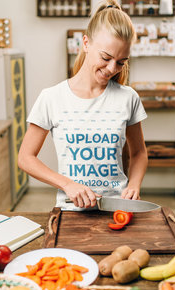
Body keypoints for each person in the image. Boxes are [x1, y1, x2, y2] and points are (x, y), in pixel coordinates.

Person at [18, 0, 148, 210]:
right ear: (86, 43)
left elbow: (139, 153)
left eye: (121, 62)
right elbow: (25, 158)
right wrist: (67, 184)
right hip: (71, 210)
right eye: (106, 57)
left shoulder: (128, 98)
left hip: (116, 208)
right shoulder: (52, 98)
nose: (112, 68)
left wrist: (133, 185)